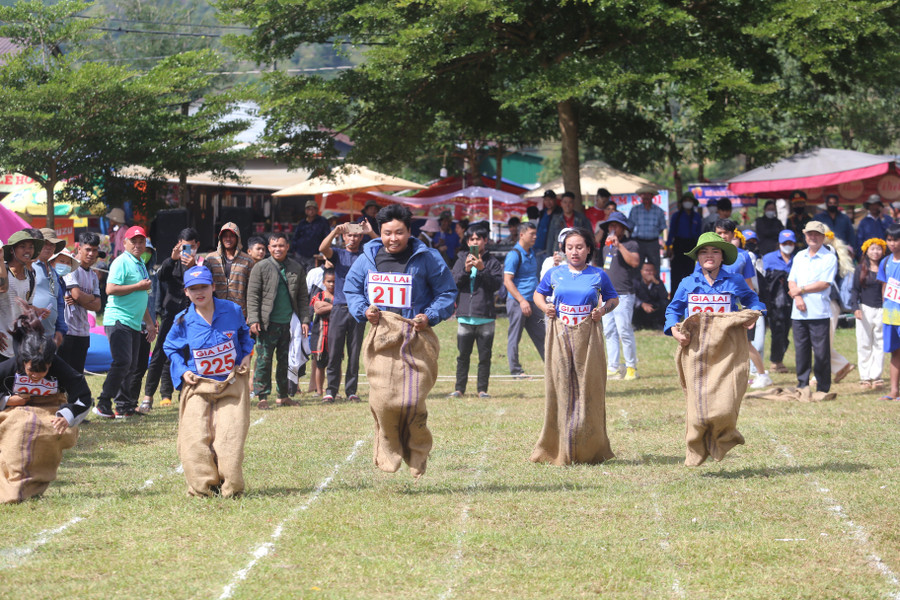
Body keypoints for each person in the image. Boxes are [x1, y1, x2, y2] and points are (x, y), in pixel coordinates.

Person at [344, 203, 456, 478]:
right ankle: (388, 446)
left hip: (416, 336)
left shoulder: (427, 257)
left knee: (413, 400)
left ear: (409, 232)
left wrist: (429, 316)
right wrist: (364, 310)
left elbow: (447, 291)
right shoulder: (367, 257)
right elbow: (352, 288)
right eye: (387, 233)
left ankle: (417, 451)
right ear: (379, 232)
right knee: (383, 400)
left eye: (399, 233)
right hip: (381, 336)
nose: (393, 238)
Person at [163, 265, 254, 498]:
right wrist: (183, 371)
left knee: (229, 440)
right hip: (198, 386)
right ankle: (202, 488)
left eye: (204, 286)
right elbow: (170, 347)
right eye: (193, 289)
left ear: (213, 287)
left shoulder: (232, 310)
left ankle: (231, 488)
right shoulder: (183, 320)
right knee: (194, 440)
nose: (199, 292)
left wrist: (244, 356)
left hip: (231, 383)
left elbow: (245, 335)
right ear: (186, 292)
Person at [531, 227, 618, 465]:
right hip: (560, 335)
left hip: (588, 336)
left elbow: (613, 298)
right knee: (561, 387)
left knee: (589, 387)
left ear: (589, 249)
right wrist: (544, 307)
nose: (574, 252)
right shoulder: (554, 273)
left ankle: (589, 447)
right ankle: (557, 447)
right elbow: (539, 294)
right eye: (570, 247)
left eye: (579, 247)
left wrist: (602, 310)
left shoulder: (599, 275)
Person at [0, 312, 92, 503]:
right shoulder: (9, 367)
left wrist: (67, 415)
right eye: (31, 371)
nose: (36, 377)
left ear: (50, 364)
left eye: (43, 372)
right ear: (23, 361)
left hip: (50, 409)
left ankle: (34, 483)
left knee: (48, 431)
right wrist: (8, 400)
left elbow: (83, 395)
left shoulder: (59, 367)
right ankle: (13, 485)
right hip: (15, 410)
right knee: (20, 429)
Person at [94, 226, 157, 419]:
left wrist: (149, 323)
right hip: (118, 319)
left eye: (141, 241)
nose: (138, 245)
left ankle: (124, 406)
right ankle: (103, 402)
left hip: (135, 321)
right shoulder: (121, 261)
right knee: (122, 362)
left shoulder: (139, 264)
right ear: (125, 243)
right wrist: (138, 286)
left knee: (132, 365)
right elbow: (110, 289)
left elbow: (142, 298)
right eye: (134, 241)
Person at [247, 232, 310, 409]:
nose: (278, 249)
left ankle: (283, 396)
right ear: (268, 248)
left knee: (285, 361)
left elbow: (303, 297)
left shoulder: (296, 268)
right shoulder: (260, 267)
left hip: (289, 324)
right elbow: (252, 296)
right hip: (266, 324)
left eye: (281, 245)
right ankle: (262, 397)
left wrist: (305, 320)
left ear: (287, 247)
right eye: (274, 246)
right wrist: (253, 319)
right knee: (263, 361)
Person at [665, 232, 765, 341]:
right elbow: (673, 310)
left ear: (722, 257)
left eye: (715, 251)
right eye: (704, 252)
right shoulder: (687, 283)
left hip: (727, 344)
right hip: (694, 345)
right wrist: (675, 331)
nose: (709, 255)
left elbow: (753, 300)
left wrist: (754, 314)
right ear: (698, 257)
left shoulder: (735, 281)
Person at [141, 228, 199, 412]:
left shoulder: (201, 263)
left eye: (190, 246)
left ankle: (187, 396)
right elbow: (160, 277)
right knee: (159, 354)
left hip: (193, 314)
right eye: (183, 246)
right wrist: (172, 259)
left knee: (190, 354)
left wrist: (193, 266)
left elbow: (202, 284)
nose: (187, 251)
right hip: (171, 314)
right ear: (178, 245)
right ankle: (148, 397)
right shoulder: (172, 262)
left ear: (197, 245)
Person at [319, 221, 371, 403]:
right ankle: (331, 390)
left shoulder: (366, 255)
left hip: (359, 309)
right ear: (344, 237)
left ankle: (351, 391)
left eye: (357, 235)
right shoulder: (339, 255)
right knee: (334, 352)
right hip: (339, 308)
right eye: (350, 235)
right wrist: (334, 231)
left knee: (354, 352)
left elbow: (382, 247)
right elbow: (322, 248)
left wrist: (371, 231)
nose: (353, 238)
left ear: (361, 237)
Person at [449, 225, 503, 399]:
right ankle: (459, 389)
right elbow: (453, 282)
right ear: (467, 242)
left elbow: (495, 285)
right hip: (465, 316)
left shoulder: (492, 262)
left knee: (484, 356)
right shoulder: (460, 259)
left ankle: (482, 390)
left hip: (485, 316)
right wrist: (465, 270)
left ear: (485, 241)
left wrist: (482, 269)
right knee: (462, 356)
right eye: (471, 239)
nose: (474, 242)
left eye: (478, 239)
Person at [787, 221, 838, 398]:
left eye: (816, 234)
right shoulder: (799, 255)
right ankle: (802, 384)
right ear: (805, 236)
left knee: (821, 352)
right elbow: (791, 280)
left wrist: (800, 290)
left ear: (823, 237)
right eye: (810, 234)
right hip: (798, 311)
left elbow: (824, 283)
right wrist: (798, 296)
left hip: (819, 310)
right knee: (801, 351)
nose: (813, 237)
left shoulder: (829, 257)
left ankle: (823, 386)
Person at [598, 213, 640, 380]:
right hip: (608, 295)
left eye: (616, 225)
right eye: (610, 226)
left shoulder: (631, 244)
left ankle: (631, 367)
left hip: (624, 295)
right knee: (609, 331)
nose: (612, 229)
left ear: (623, 228)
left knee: (624, 331)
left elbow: (635, 262)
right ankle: (613, 367)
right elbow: (605, 270)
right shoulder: (605, 248)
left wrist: (620, 246)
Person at [503, 221, 545, 378]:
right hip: (517, 302)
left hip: (533, 302)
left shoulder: (532, 252)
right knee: (515, 337)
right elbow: (507, 281)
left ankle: (553, 366)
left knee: (543, 335)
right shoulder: (514, 255)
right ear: (521, 235)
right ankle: (516, 371)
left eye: (535, 234)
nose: (535, 237)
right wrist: (522, 301)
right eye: (531, 234)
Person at [58, 236, 101, 374]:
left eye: (94, 250)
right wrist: (90, 298)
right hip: (67, 330)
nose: (91, 253)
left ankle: (74, 397)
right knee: (63, 374)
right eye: (88, 249)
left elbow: (98, 306)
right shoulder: (70, 268)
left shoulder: (93, 276)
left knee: (77, 375)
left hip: (83, 331)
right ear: (79, 248)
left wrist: (82, 299)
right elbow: (76, 294)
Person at [4, 230, 46, 362]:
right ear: (12, 250)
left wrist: (36, 310)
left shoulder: (31, 277)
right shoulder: (3, 273)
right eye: (22, 247)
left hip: (18, 343)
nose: (27, 251)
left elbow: (27, 305)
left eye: (31, 247)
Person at [851, 238, 886, 389]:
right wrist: (855, 307)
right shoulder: (860, 269)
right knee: (864, 343)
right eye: (872, 249)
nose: (876, 252)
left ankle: (876, 376)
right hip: (864, 309)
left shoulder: (886, 268)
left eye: (878, 249)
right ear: (866, 251)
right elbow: (854, 290)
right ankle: (865, 376)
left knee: (880, 343)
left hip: (883, 310)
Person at [761, 230, 796, 373]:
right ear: (779, 244)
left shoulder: (799, 258)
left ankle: (779, 359)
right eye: (784, 243)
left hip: (794, 300)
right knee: (777, 331)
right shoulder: (768, 258)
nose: (787, 245)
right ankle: (776, 361)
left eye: (790, 243)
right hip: (774, 301)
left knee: (787, 332)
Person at [205, 222, 255, 317]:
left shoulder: (248, 260)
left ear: (237, 238)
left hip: (238, 311)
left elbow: (251, 290)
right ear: (220, 238)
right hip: (215, 310)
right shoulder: (211, 259)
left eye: (232, 236)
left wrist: (251, 315)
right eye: (225, 236)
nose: (228, 239)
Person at [34, 229, 67, 346]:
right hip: (31, 333)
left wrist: (60, 329)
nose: (49, 247)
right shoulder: (28, 267)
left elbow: (58, 302)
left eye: (52, 244)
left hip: (50, 334)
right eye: (45, 243)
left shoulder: (53, 272)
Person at [666, 192, 703, 294]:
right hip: (678, 245)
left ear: (693, 203)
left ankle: (690, 296)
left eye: (690, 200)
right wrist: (668, 246)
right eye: (686, 200)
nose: (688, 202)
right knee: (676, 274)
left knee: (689, 273)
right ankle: (674, 297)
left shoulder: (696, 217)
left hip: (691, 245)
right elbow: (671, 232)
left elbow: (699, 233)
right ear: (682, 203)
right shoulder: (676, 216)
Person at [879, 225, 900, 401]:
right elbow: (884, 287)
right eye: (890, 240)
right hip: (891, 315)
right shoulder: (885, 262)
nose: (892, 243)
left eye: (896, 240)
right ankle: (893, 391)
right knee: (894, 352)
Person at [627, 185, 667, 271]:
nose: (645, 196)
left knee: (655, 268)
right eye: (643, 194)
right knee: (636, 268)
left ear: (652, 196)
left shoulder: (659, 211)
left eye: (648, 194)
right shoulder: (635, 210)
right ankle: (637, 284)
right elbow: (629, 227)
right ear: (640, 196)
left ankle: (655, 284)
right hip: (638, 243)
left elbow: (662, 228)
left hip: (653, 243)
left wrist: (653, 234)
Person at [308, 268, 335, 397]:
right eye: (329, 281)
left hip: (335, 334)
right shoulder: (318, 295)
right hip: (319, 335)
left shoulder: (341, 296)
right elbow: (318, 309)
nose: (331, 284)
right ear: (324, 282)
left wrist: (326, 307)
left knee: (334, 364)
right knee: (320, 364)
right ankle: (319, 391)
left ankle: (332, 389)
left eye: (334, 282)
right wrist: (336, 307)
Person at [545, 191, 591, 256]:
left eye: (570, 202)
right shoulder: (555, 219)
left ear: (573, 204)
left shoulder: (581, 218)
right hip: (559, 254)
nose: (567, 205)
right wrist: (549, 256)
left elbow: (589, 237)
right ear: (561, 203)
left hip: (576, 253)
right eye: (565, 202)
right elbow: (550, 239)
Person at [291, 199, 331, 270]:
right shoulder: (302, 223)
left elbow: (327, 237)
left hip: (315, 254)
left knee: (311, 276)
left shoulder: (322, 222)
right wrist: (294, 250)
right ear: (306, 210)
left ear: (317, 210)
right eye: (309, 209)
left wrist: (324, 251)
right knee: (299, 275)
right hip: (300, 254)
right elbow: (295, 237)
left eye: (313, 209)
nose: (311, 211)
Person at [633, 261, 667, 330]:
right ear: (641, 272)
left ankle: (658, 324)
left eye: (651, 271)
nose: (649, 273)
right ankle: (636, 325)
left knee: (665, 303)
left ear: (655, 272)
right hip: (640, 308)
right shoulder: (635, 282)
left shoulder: (658, 282)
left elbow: (664, 296)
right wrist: (642, 304)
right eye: (646, 270)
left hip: (653, 308)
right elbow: (632, 296)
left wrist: (656, 283)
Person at [535, 190, 560, 259]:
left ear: (555, 200)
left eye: (550, 199)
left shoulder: (559, 213)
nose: (548, 202)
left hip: (551, 249)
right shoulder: (542, 212)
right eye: (546, 200)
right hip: (538, 247)